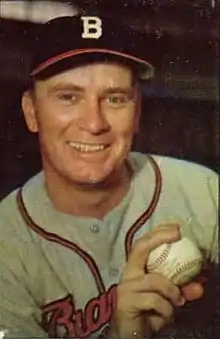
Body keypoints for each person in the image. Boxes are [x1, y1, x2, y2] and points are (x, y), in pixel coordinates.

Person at [0, 14, 218, 339]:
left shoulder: (204, 191)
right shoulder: (6, 244)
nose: (94, 123)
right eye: (68, 97)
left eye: (115, 98)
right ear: (31, 112)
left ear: (138, 111)